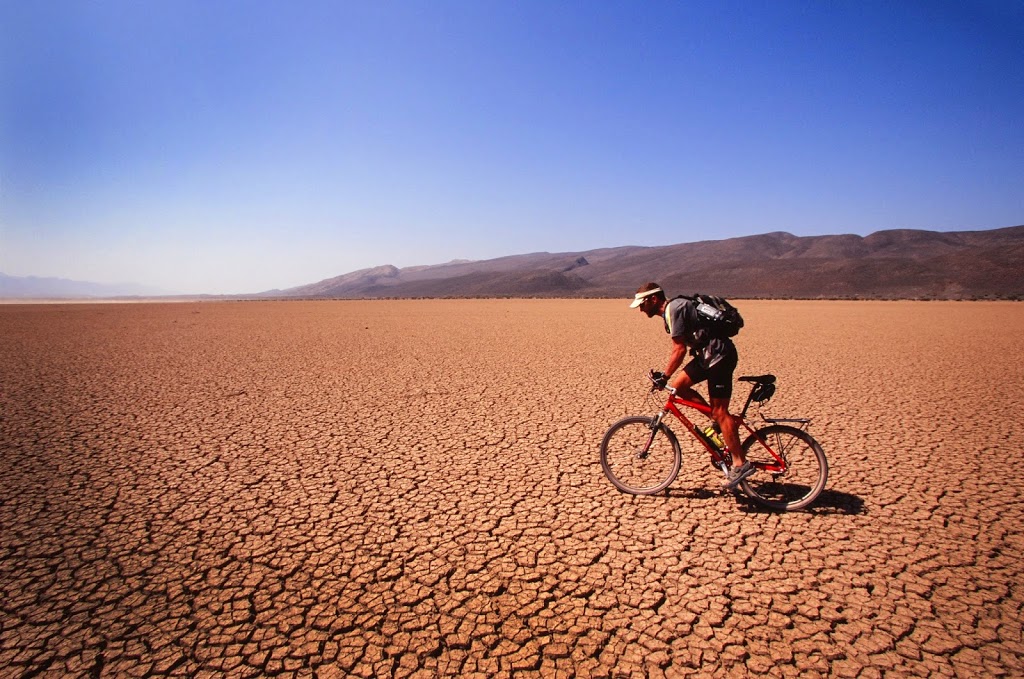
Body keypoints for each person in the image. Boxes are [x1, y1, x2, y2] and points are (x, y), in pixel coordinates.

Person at [629, 282, 755, 488]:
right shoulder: (672, 311)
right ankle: (717, 421)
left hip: (718, 356)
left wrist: (665, 376)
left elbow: (679, 349)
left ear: (653, 299)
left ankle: (740, 463)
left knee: (721, 411)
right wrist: (668, 379)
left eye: (642, 304)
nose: (640, 309)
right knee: (679, 388)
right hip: (707, 356)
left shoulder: (674, 309)